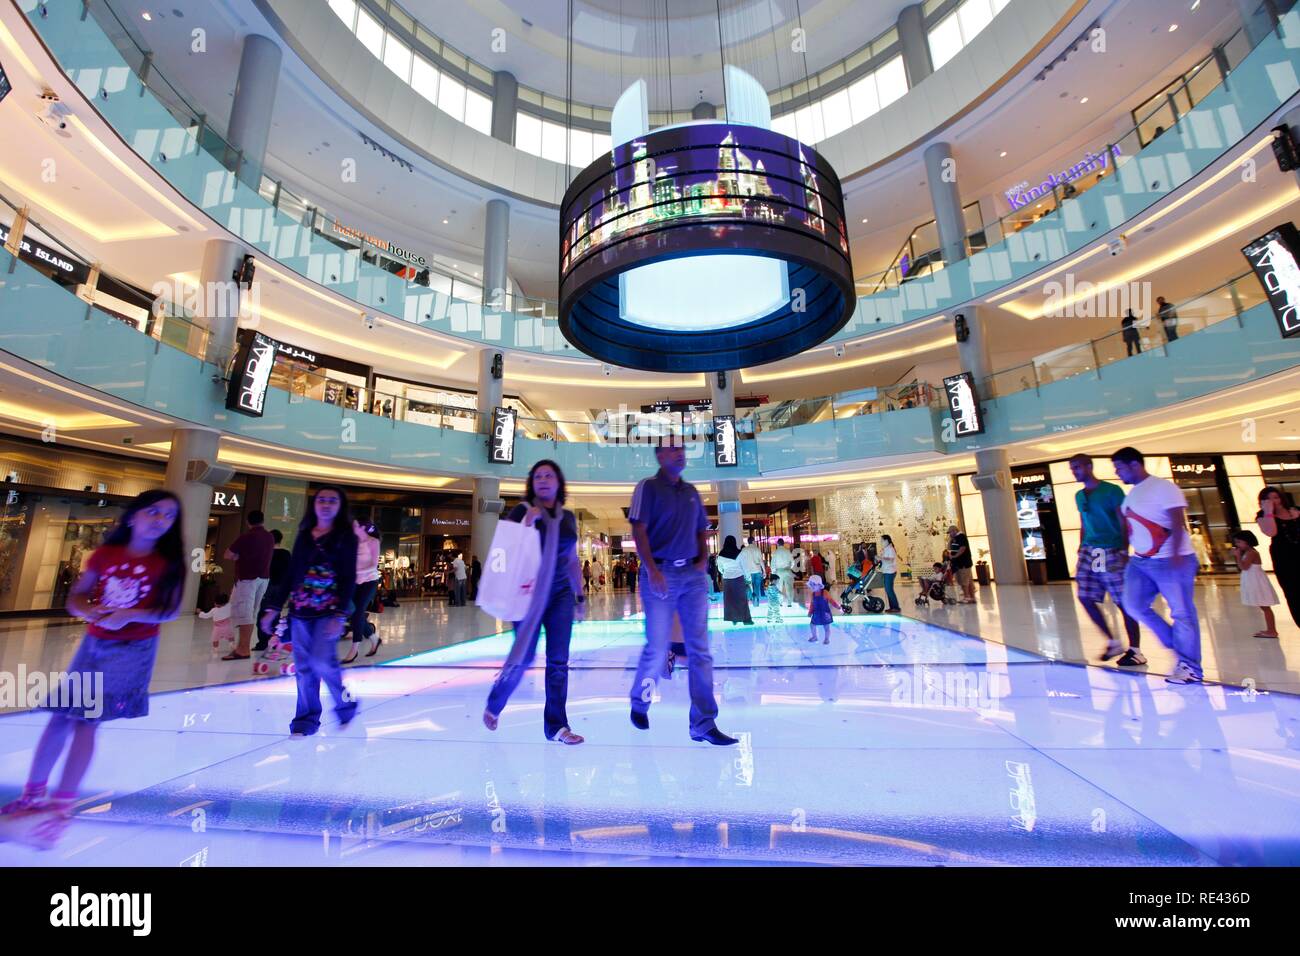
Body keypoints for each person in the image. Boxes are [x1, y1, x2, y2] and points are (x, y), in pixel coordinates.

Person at [0, 490, 185, 848]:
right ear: (133, 516)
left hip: (133, 651)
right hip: (93, 645)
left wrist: (128, 615)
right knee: (60, 716)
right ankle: (32, 795)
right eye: (154, 511)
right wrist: (88, 611)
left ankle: (60, 806)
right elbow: (77, 597)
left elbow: (170, 611)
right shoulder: (104, 554)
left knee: (87, 720)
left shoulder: (168, 564)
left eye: (169, 516)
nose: (161, 520)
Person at [627, 443, 736, 745]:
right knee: (658, 647)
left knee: (700, 651)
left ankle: (703, 723)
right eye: (672, 449)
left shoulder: (691, 492)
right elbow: (639, 531)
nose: (680, 453)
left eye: (682, 449)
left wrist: (702, 560)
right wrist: (652, 570)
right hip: (660, 573)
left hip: (691, 577)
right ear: (660, 456)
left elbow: (702, 529)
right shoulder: (648, 488)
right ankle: (641, 699)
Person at [483, 460, 585, 744]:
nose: (542, 479)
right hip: (527, 593)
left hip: (560, 593)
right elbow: (504, 552)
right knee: (523, 657)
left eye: (548, 475)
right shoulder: (521, 511)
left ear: (558, 482)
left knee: (558, 661)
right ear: (532, 483)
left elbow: (571, 560)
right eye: (537, 475)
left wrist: (580, 595)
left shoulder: (567, 518)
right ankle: (496, 700)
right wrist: (528, 524)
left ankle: (556, 726)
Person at [260, 486, 360, 735]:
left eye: (332, 501)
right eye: (322, 500)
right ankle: (305, 720)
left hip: (328, 612)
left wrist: (340, 615)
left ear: (340, 506)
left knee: (321, 661)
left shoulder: (347, 537)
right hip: (300, 611)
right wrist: (274, 607)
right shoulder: (304, 535)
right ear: (314, 504)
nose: (326, 504)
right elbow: (292, 572)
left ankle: (345, 703)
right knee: (304, 668)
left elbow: (348, 577)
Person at [1111, 447, 1202, 684]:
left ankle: (1190, 667)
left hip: (1171, 560)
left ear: (1134, 465)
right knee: (1133, 604)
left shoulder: (1163, 488)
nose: (1117, 472)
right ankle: (1177, 643)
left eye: (1119, 467)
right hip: (1141, 562)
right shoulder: (1132, 494)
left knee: (1182, 613)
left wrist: (1175, 555)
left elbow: (1177, 520)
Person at [1068, 454, 1145, 665]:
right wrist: (1081, 545)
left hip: (1111, 549)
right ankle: (1113, 642)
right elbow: (1084, 521)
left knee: (1123, 601)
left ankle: (1136, 650)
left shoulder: (1111, 491)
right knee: (1085, 596)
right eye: (1072, 469)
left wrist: (1123, 549)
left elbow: (1123, 520)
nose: (1074, 472)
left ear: (1089, 466)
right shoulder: (1079, 495)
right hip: (1089, 551)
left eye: (1077, 467)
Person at [221, 509, 275, 661]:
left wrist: (239, 556)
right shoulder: (269, 537)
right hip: (264, 578)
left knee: (244, 613)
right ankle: (242, 647)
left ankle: (243, 649)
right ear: (263, 520)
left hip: (247, 578)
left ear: (248, 522)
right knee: (252, 613)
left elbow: (228, 554)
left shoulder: (247, 537)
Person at [1257, 486, 1300, 628]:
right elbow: (1271, 532)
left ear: (1281, 498)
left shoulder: (1295, 511)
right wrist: (1268, 512)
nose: (1273, 501)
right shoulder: (1262, 516)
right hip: (1284, 557)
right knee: (1293, 591)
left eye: (1275, 497)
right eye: (1268, 499)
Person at [341, 520, 381, 664]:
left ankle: (354, 648)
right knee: (351, 610)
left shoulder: (373, 542)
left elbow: (373, 565)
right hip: (354, 582)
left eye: (356, 526)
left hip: (370, 581)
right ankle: (374, 638)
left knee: (358, 613)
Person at [1232, 530, 1279, 639]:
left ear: (1247, 541)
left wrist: (1238, 556)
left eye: (1239, 542)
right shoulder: (1249, 552)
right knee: (1264, 606)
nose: (1237, 545)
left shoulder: (1251, 553)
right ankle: (1270, 629)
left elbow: (1244, 567)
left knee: (1265, 606)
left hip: (1256, 581)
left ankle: (1272, 630)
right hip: (1253, 579)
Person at [254, 529, 291, 652]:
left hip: (267, 586)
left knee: (263, 613)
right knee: (276, 613)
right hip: (280, 588)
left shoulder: (266, 553)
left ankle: (262, 642)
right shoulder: (286, 554)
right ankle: (274, 640)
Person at [716, 535, 753, 625]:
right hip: (738, 578)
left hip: (727, 580)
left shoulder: (721, 555)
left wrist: (725, 572)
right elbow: (745, 567)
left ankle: (734, 618)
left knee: (730, 600)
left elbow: (720, 568)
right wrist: (748, 578)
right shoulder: (740, 553)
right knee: (741, 599)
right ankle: (746, 620)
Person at [805, 574, 841, 644]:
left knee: (826, 627)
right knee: (812, 625)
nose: (812, 587)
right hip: (816, 613)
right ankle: (814, 637)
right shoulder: (813, 594)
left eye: (813, 585)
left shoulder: (825, 592)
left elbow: (832, 601)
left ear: (819, 585)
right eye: (811, 585)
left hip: (825, 613)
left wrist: (838, 607)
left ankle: (827, 639)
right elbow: (812, 604)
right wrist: (810, 612)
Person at [947, 525, 975, 603]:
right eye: (949, 533)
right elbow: (949, 548)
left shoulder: (961, 536)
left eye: (951, 532)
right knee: (965, 581)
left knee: (964, 581)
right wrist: (951, 539)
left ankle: (967, 597)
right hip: (958, 564)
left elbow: (962, 548)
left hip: (964, 563)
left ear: (955, 530)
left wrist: (955, 556)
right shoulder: (954, 539)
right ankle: (970, 597)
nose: (950, 534)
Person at [879, 534, 901, 612]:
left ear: (886, 540)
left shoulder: (890, 549)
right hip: (886, 571)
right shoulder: (886, 549)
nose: (881, 542)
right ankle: (892, 607)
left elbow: (891, 560)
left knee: (889, 590)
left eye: (882, 540)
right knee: (888, 590)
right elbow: (885, 559)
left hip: (890, 572)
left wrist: (881, 558)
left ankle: (896, 607)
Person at [740, 536, 765, 603]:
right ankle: (756, 600)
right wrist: (764, 571)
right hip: (757, 571)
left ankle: (750, 598)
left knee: (749, 586)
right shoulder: (757, 549)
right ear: (753, 541)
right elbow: (761, 561)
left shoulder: (744, 550)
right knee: (756, 587)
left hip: (748, 572)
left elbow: (741, 561)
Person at [772, 538, 795, 606]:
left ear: (777, 544)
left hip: (779, 571)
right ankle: (789, 602)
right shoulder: (787, 551)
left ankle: (780, 602)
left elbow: (773, 563)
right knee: (789, 587)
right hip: (787, 570)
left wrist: (773, 572)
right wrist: (790, 568)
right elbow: (792, 562)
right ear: (783, 543)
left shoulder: (775, 552)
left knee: (779, 587)